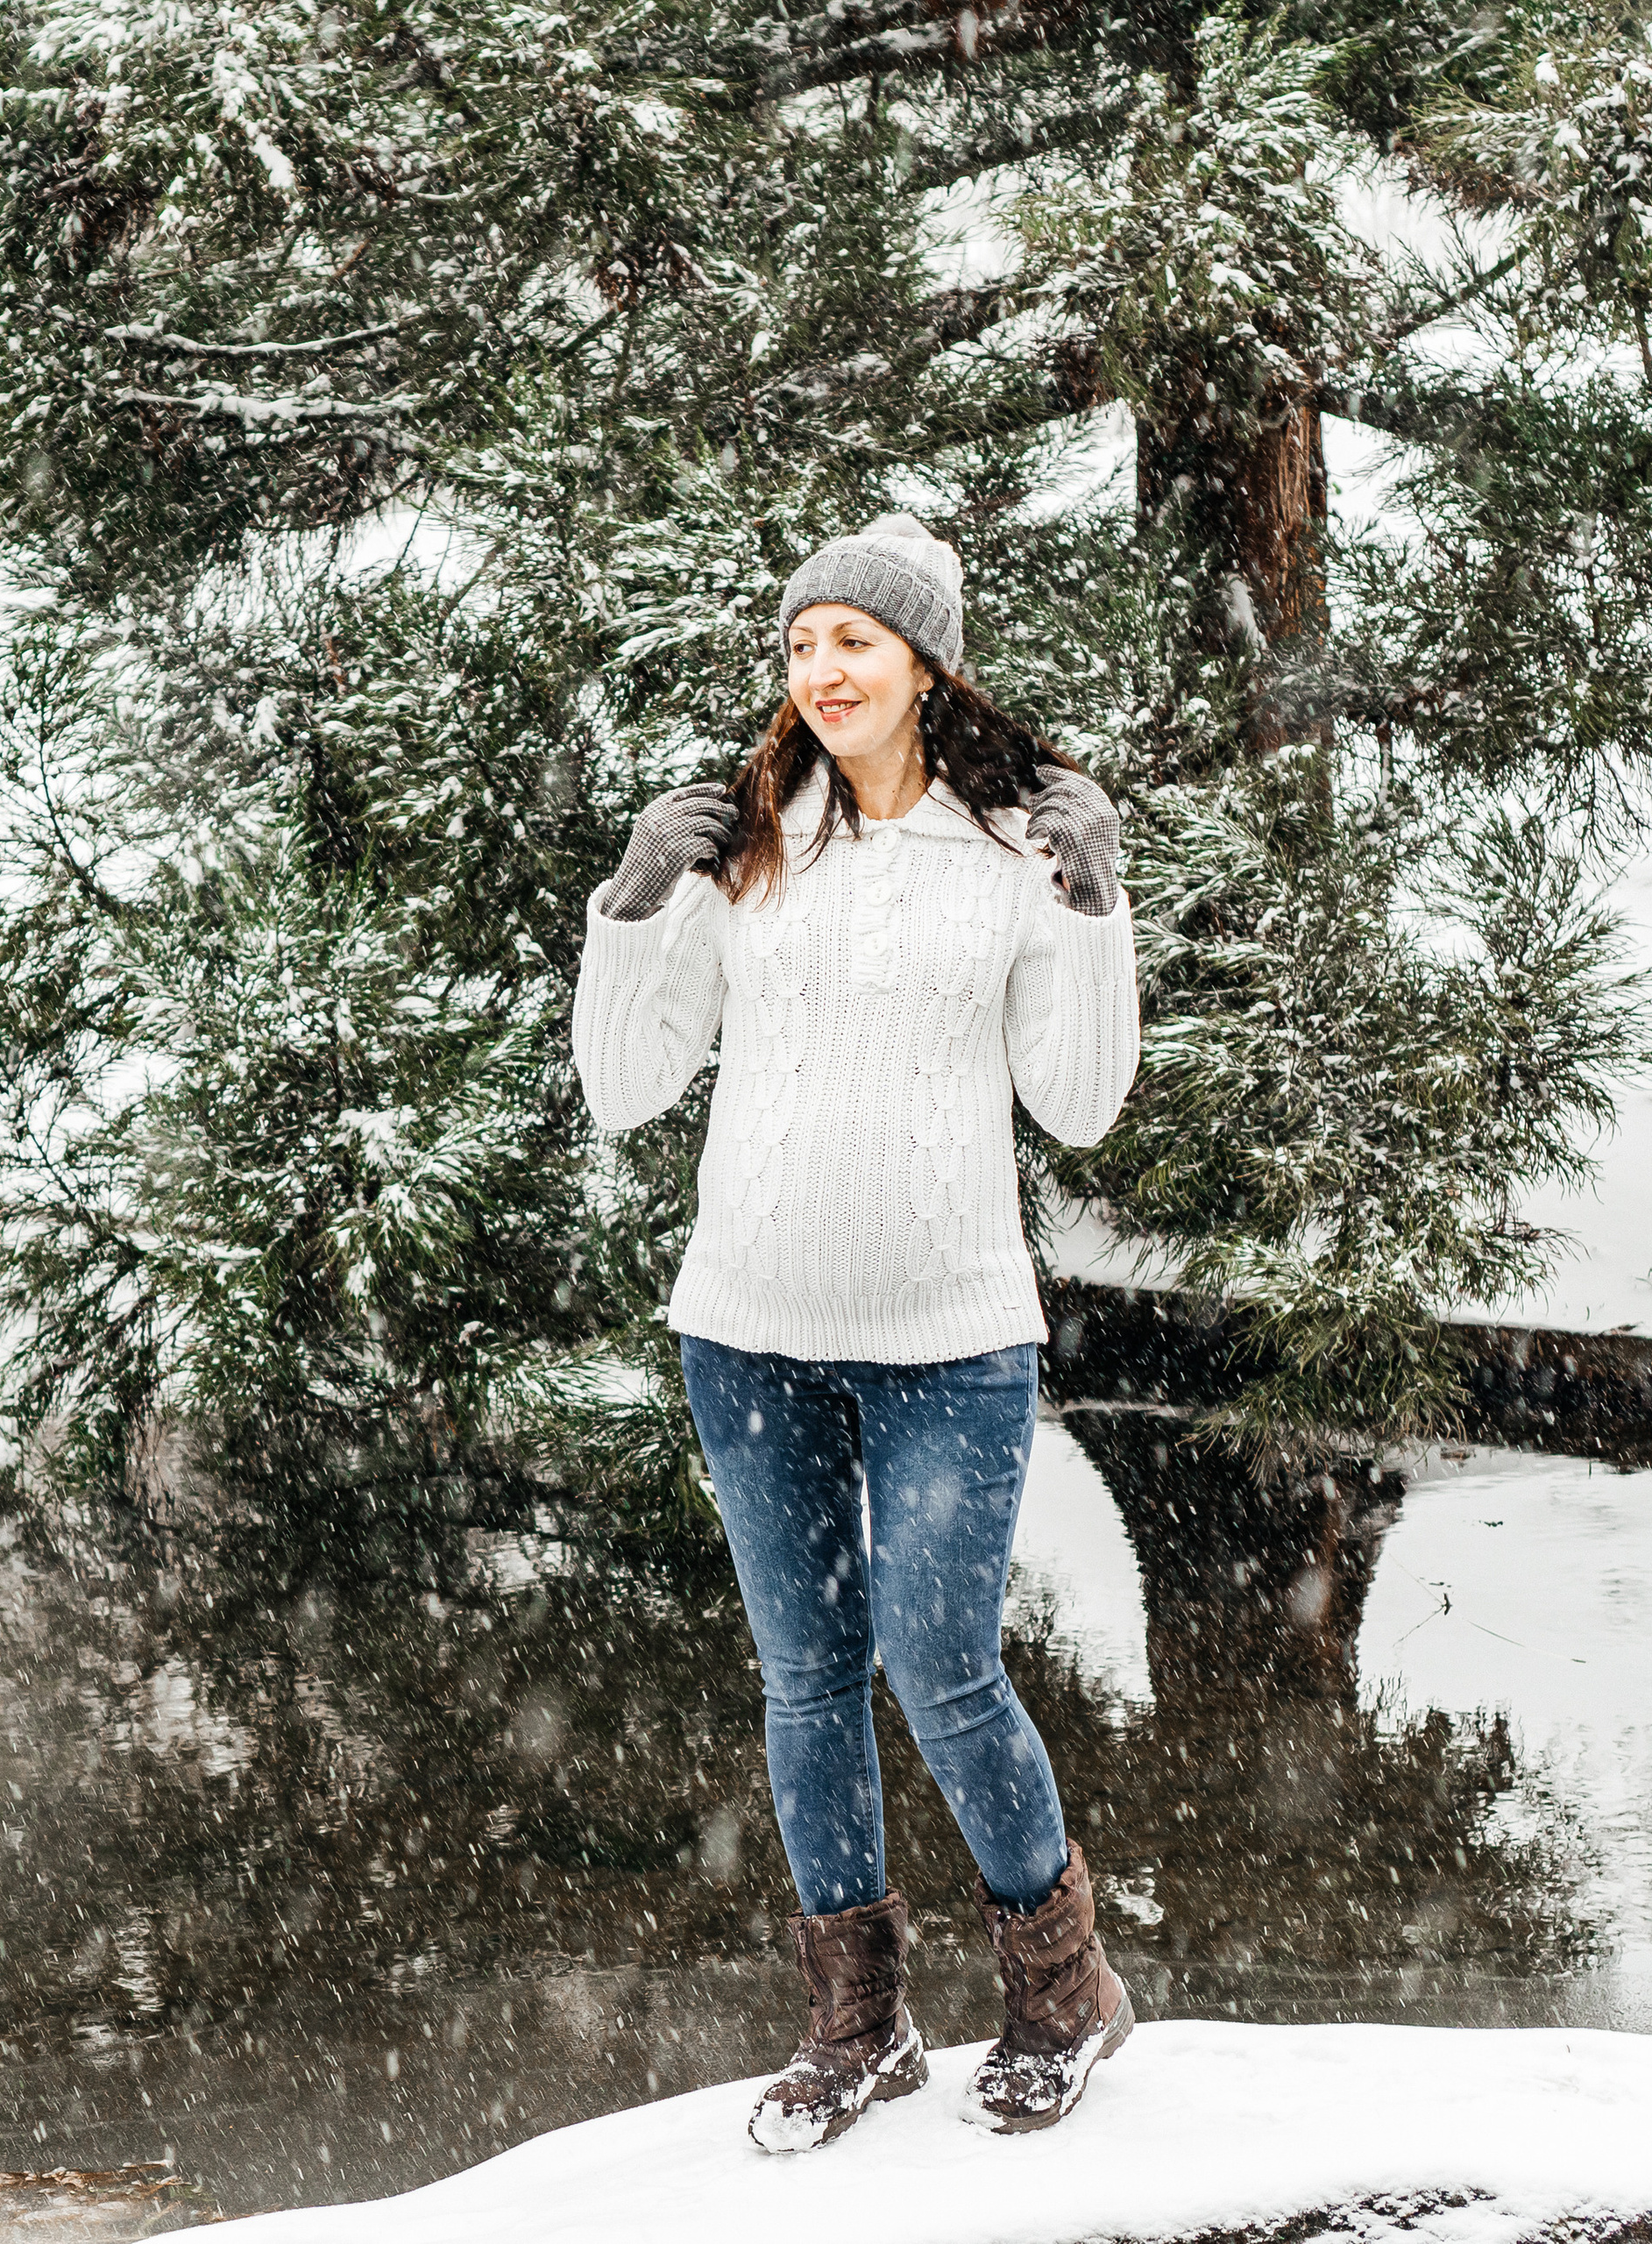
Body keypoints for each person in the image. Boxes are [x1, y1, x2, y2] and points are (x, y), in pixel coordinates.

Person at [571, 515, 1140, 2152]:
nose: (821, 672)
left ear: (924, 665)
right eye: (804, 644)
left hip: (953, 1336)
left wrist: (1096, 906)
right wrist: (632, 902)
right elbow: (626, 1087)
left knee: (941, 1663)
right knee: (810, 1678)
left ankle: (1060, 1992)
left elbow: (1082, 1104)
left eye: (855, 644)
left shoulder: (1013, 854)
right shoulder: (748, 847)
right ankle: (861, 2025)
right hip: (747, 1333)